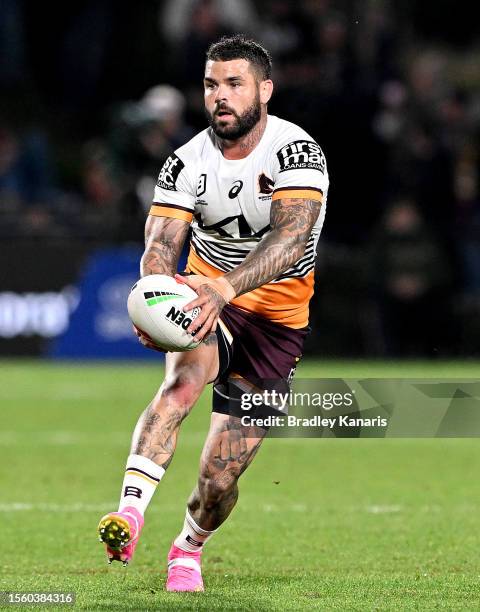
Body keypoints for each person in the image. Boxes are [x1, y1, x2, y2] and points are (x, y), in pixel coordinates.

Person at [97, 34, 329, 592]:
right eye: (210, 85)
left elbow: (288, 243)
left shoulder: (297, 152)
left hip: (275, 322)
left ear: (264, 90)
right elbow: (160, 243)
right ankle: (129, 512)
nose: (219, 96)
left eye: (233, 84)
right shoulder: (185, 162)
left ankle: (188, 546)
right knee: (181, 387)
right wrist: (151, 298)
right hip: (204, 300)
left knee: (221, 475)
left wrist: (227, 287)